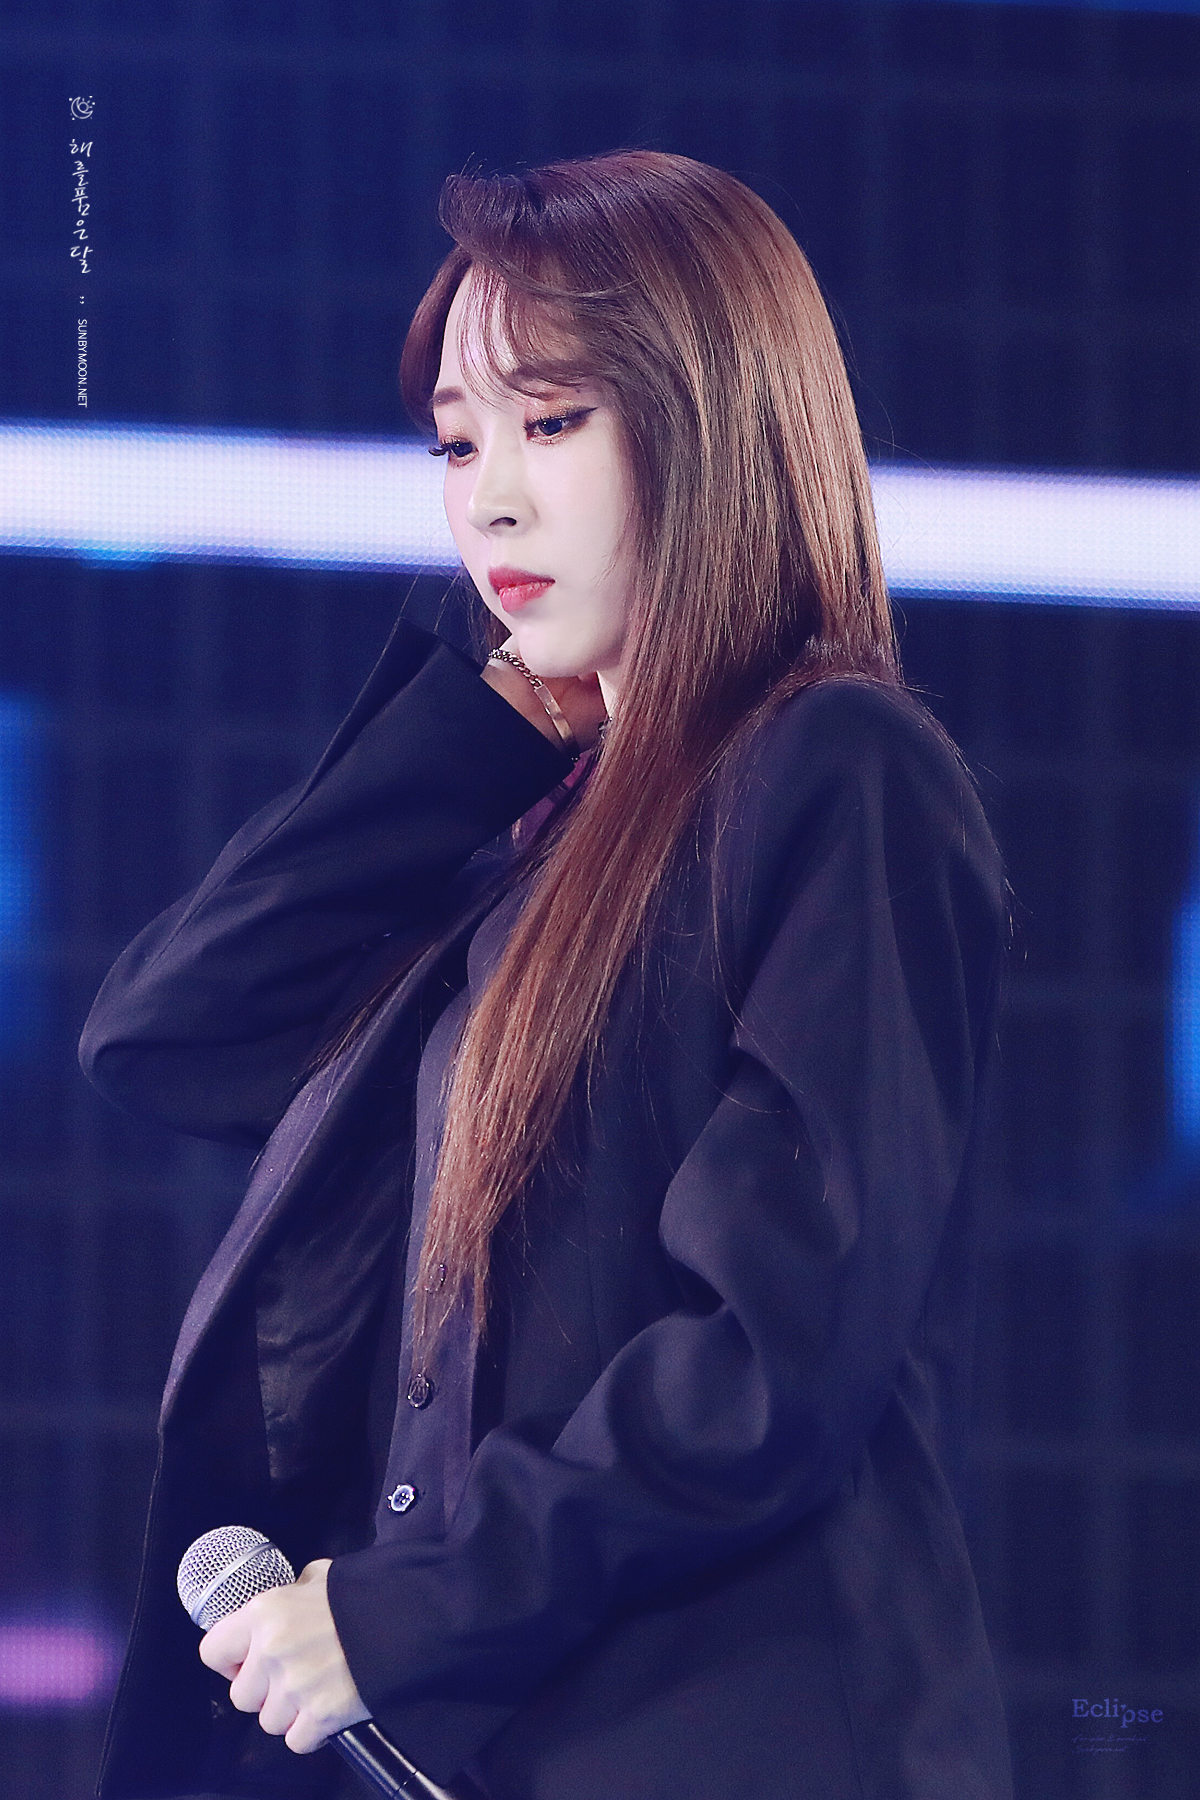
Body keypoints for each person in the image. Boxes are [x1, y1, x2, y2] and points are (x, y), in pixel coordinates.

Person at [81, 150, 1013, 1800]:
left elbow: (777, 1350)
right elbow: (169, 1030)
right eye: (458, 443)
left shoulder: (836, 767)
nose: (490, 499)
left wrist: (412, 1606)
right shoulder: (526, 844)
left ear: (712, 418)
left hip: (749, 1739)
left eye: (554, 419)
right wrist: (480, 730)